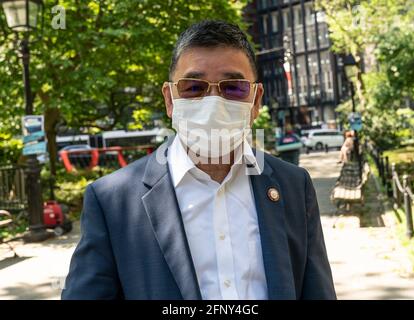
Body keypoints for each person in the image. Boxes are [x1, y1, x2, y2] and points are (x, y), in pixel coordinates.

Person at [62, 20, 336, 300]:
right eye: (194, 87)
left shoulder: (294, 185)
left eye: (233, 88)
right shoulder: (112, 201)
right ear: (170, 100)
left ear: (255, 101)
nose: (213, 101)